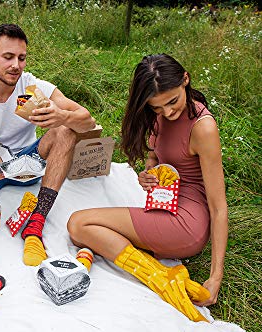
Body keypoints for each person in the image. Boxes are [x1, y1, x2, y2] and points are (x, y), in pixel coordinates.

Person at [0, 23, 95, 315]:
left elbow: (87, 122)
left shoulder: (33, 87)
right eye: (8, 57)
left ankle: (35, 224)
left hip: (29, 161)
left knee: (66, 130)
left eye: (21, 58)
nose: (15, 66)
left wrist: (60, 115)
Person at [67, 54, 228, 323]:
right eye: (157, 107)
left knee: (78, 224)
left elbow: (218, 207)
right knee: (81, 226)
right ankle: (159, 272)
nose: (167, 112)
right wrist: (148, 176)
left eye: (173, 102)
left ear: (185, 80)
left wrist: (215, 277)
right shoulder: (157, 115)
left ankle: (158, 276)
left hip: (188, 222)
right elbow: (155, 159)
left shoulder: (203, 128)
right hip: (165, 203)